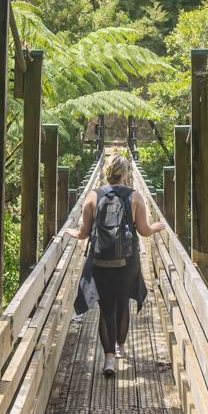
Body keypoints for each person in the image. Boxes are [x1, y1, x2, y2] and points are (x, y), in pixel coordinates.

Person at [69, 151, 164, 377]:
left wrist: (71, 232)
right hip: (126, 261)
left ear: (106, 172)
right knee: (123, 302)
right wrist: (155, 227)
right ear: (125, 173)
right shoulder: (135, 197)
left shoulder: (92, 197)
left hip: (100, 261)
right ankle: (121, 346)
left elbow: (83, 233)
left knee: (106, 308)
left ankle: (109, 359)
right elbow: (143, 231)